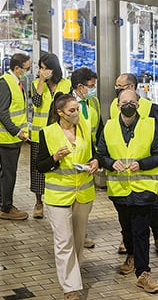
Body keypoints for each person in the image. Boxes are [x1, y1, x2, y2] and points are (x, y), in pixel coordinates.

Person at [98, 88, 158, 294]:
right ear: (118, 106)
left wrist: (142, 164)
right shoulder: (109, 127)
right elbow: (101, 154)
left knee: (141, 231)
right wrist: (111, 163)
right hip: (120, 190)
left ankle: (143, 273)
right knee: (126, 229)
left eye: (132, 103)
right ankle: (131, 254)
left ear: (138, 105)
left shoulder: (149, 126)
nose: (128, 106)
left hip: (143, 190)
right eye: (124, 103)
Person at [35, 92, 98, 300]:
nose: (76, 113)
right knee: (64, 241)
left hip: (83, 194)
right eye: (72, 110)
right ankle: (70, 288)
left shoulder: (85, 128)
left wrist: (95, 162)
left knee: (78, 240)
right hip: (59, 197)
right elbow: (40, 166)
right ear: (60, 112)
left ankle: (74, 275)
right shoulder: (48, 133)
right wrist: (55, 157)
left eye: (77, 109)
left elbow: (93, 153)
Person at [110, 73, 158, 257]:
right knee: (126, 214)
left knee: (151, 205)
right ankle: (126, 241)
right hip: (123, 174)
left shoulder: (150, 108)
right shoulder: (115, 106)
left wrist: (144, 162)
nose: (117, 89)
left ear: (131, 87)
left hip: (145, 170)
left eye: (120, 86)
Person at [0, 52, 31, 221]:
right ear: (17, 68)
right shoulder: (5, 83)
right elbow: (2, 112)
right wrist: (16, 131)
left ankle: (0, 204)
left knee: (5, 171)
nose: (28, 71)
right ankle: (6, 208)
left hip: (11, 137)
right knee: (9, 172)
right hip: (6, 137)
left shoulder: (15, 82)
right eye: (26, 68)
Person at [29, 52, 71, 219]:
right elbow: (37, 102)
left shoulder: (66, 84)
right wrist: (41, 80)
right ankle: (39, 202)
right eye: (40, 68)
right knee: (38, 168)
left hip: (59, 133)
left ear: (55, 69)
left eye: (46, 69)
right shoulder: (35, 83)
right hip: (39, 134)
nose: (43, 71)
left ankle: (60, 198)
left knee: (59, 166)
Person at [70, 67, 103, 249]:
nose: (93, 89)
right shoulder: (64, 102)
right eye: (90, 86)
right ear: (80, 86)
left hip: (89, 156)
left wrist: (98, 155)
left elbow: (99, 128)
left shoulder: (94, 102)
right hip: (71, 157)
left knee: (86, 200)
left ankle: (83, 233)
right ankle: (73, 235)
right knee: (72, 200)